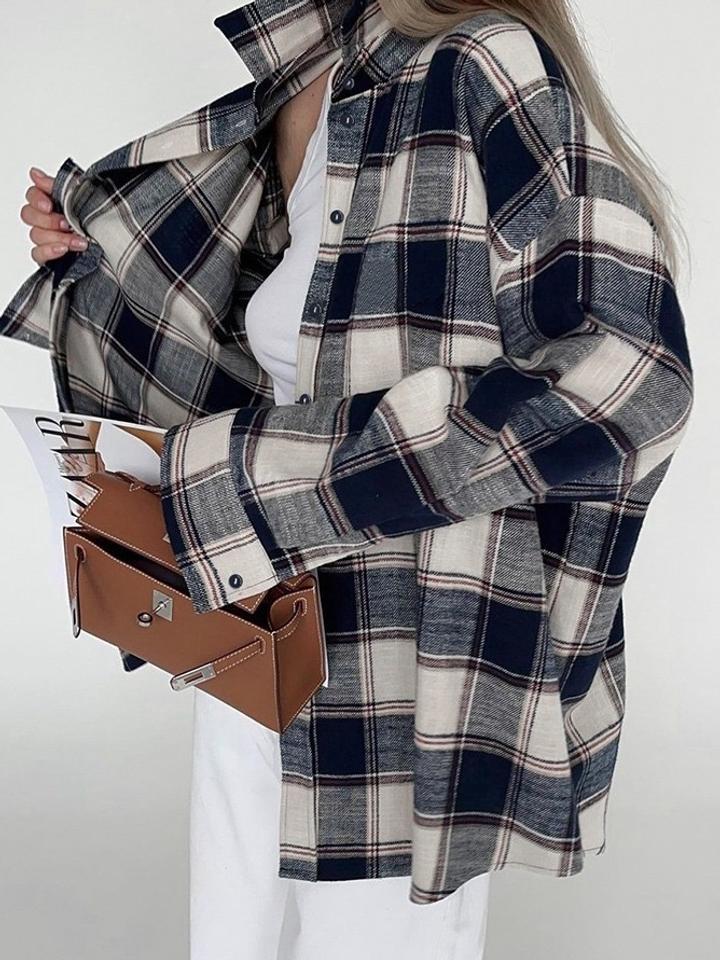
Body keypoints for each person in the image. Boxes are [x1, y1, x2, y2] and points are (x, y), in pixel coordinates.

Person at [9, 1, 693, 958]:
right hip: (255, 629)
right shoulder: (319, 72)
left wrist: (275, 487)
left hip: (408, 657)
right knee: (232, 937)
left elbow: (629, 375)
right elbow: (286, 348)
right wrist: (109, 258)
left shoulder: (482, 62)